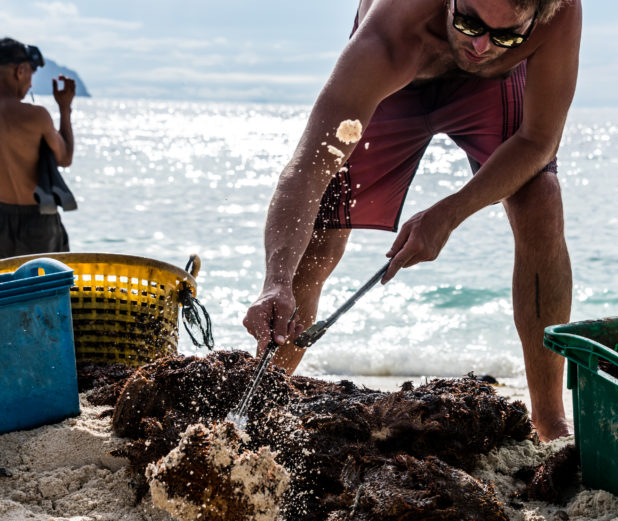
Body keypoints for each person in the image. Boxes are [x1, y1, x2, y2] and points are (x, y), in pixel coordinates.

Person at [243, 0, 581, 440]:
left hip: (490, 88)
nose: (480, 45)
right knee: (322, 231)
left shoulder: (559, 10)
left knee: (541, 196)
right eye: (469, 22)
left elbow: (538, 141)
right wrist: (276, 280)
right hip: (399, 75)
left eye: (506, 35)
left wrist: (449, 212)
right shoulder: (389, 32)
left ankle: (551, 424)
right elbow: (308, 168)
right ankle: (259, 397)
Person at [0, 38, 76, 260]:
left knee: (4, 291)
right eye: (31, 73)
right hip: (39, 221)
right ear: (20, 70)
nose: (30, 83)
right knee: (49, 289)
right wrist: (65, 108)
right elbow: (65, 157)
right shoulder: (36, 116)